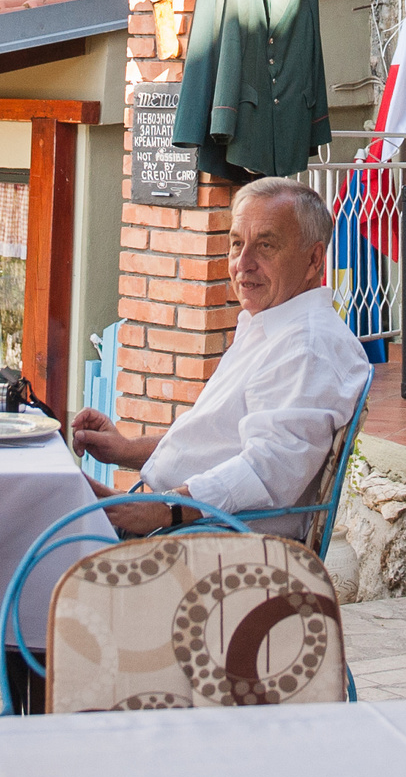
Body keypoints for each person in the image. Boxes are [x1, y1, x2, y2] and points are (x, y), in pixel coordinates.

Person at [71, 178, 370, 537]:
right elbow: (220, 444)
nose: (243, 264)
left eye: (265, 245)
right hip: (194, 529)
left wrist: (163, 510)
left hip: (224, 550)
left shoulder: (307, 346)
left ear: (314, 260)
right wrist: (127, 450)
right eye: (237, 244)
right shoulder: (272, 326)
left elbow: (268, 469)